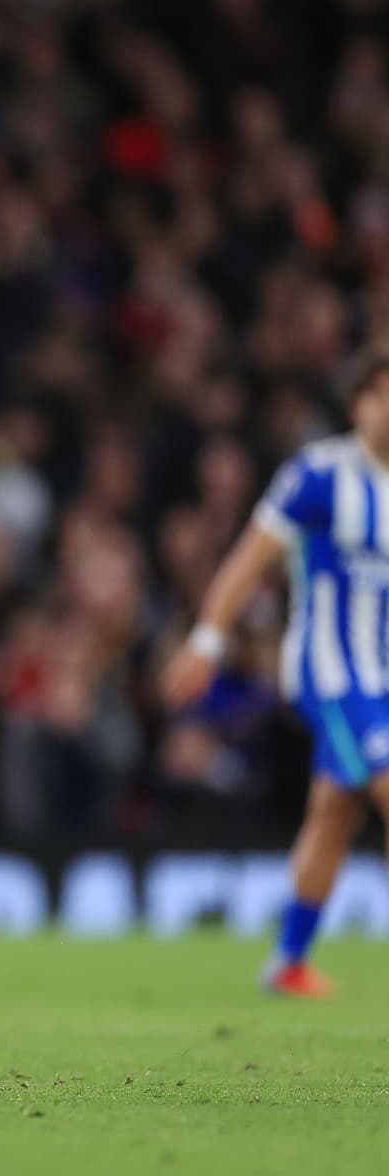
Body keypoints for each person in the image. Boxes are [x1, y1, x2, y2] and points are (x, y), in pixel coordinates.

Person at [161, 346, 389, 997]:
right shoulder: (320, 474)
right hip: (334, 676)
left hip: (385, 679)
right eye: (380, 392)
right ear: (358, 405)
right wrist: (207, 641)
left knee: (336, 811)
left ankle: (286, 961)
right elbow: (248, 559)